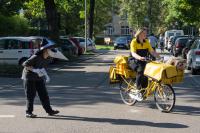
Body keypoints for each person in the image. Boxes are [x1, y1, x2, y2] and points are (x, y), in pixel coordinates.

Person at [21, 38, 68, 118]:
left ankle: (49, 111)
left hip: (39, 77)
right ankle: (28, 112)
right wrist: (35, 70)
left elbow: (42, 68)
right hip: (29, 77)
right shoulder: (36, 57)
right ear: (45, 50)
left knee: (44, 94)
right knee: (31, 95)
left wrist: (46, 76)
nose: (51, 51)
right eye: (49, 49)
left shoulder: (49, 59)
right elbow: (24, 64)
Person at [129, 27, 160, 101]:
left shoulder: (146, 42)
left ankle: (144, 91)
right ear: (139, 34)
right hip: (133, 60)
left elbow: (152, 51)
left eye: (146, 33)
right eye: (144, 33)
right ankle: (137, 90)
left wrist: (159, 57)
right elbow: (133, 53)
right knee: (141, 70)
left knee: (148, 73)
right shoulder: (134, 41)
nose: (146, 34)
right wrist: (139, 57)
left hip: (143, 60)